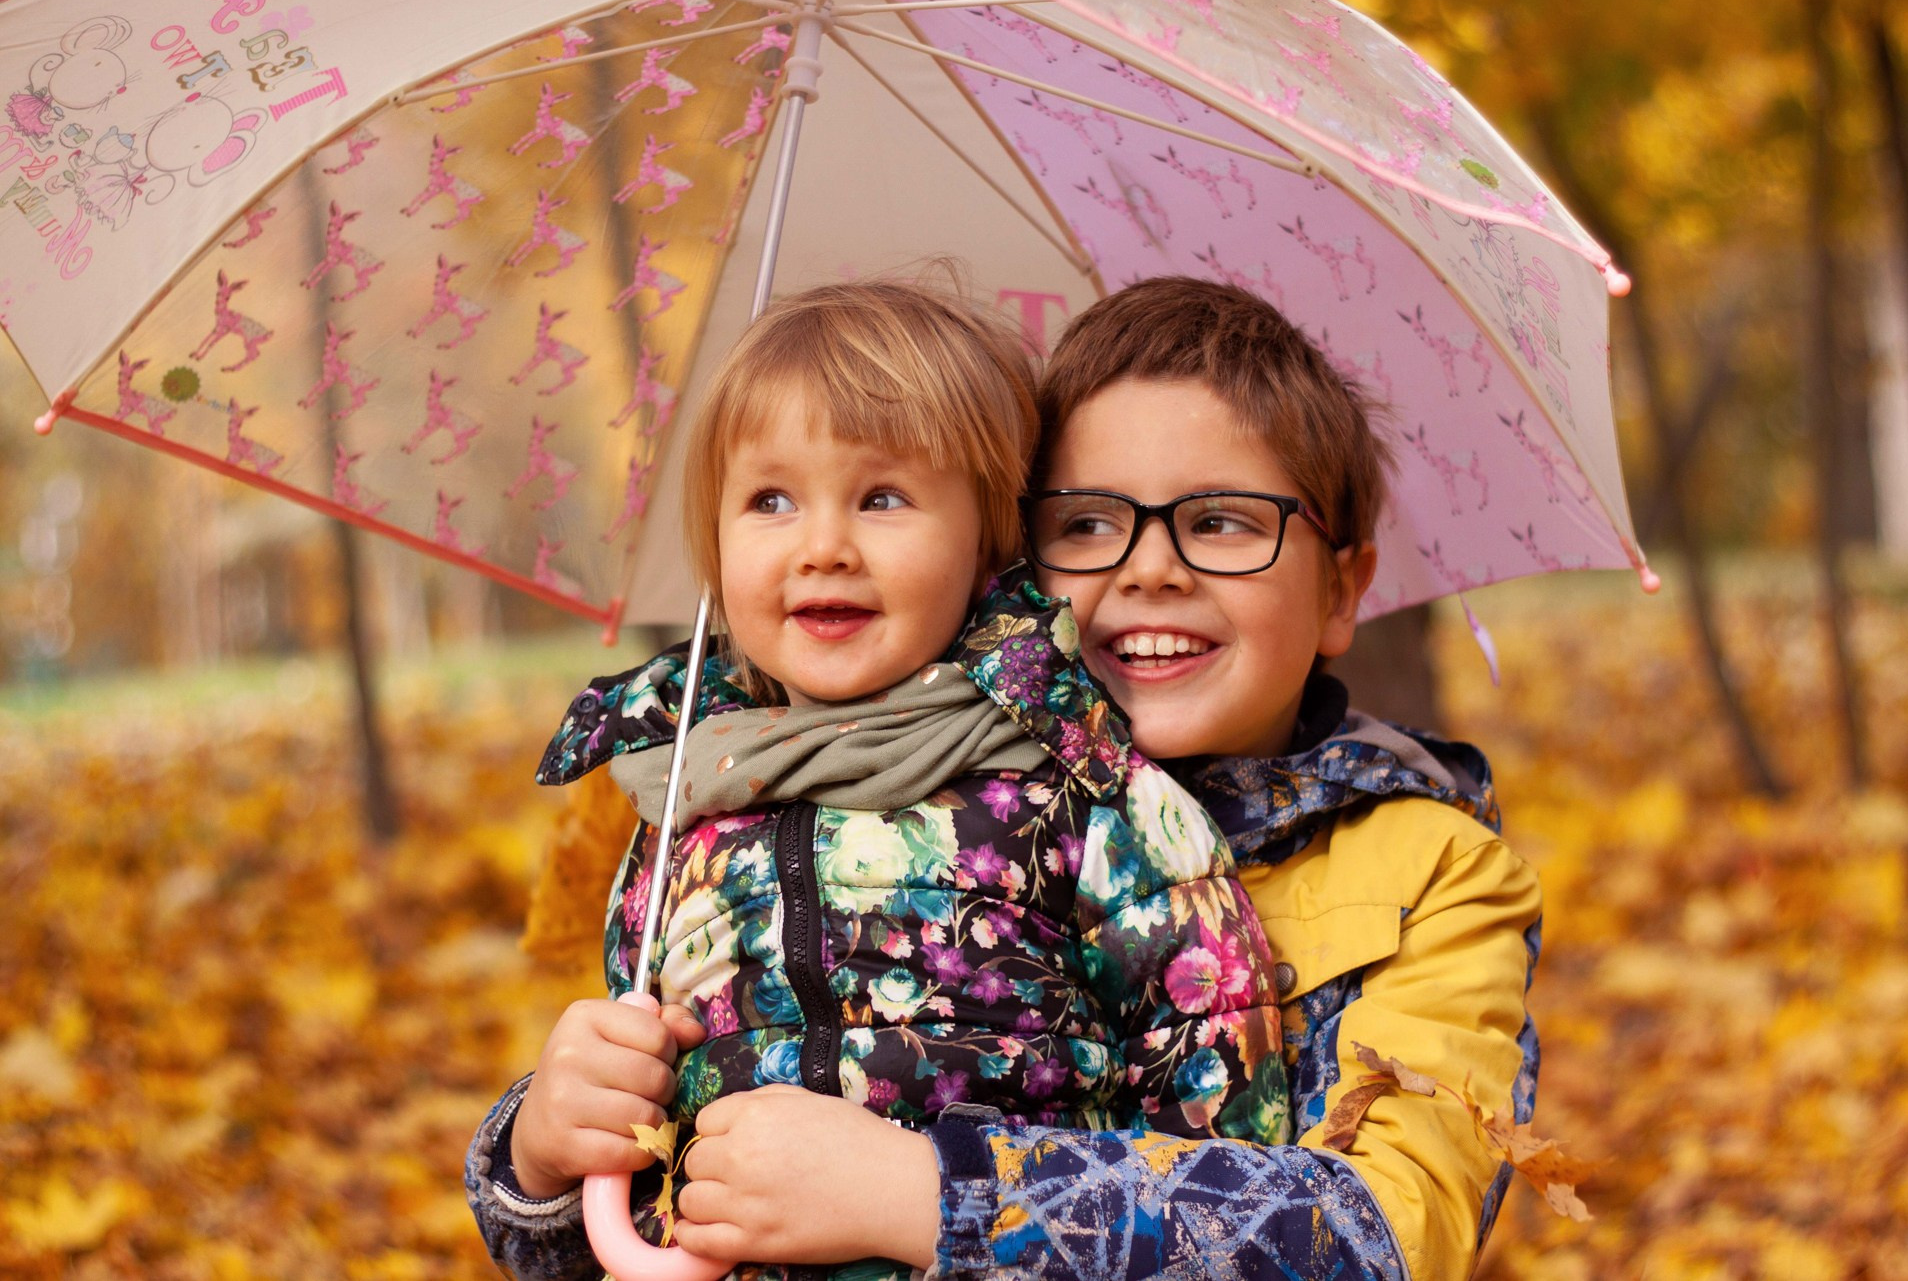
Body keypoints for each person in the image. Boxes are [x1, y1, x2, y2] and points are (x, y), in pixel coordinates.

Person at [619, 278, 1543, 1280]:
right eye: (1088, 523)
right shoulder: (852, 814)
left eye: (1225, 521)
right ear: (1004, 555)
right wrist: (537, 1168)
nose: (1148, 569)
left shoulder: (1435, 873)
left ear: (1338, 588)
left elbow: (1377, 1241)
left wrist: (926, 1195)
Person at [464, 278, 1291, 1280]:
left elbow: (1230, 1158)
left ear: (988, 537)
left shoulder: (1085, 790)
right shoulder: (684, 803)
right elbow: (630, 1165)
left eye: (882, 497)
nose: (821, 547)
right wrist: (545, 1153)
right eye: (769, 499)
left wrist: (937, 1196)